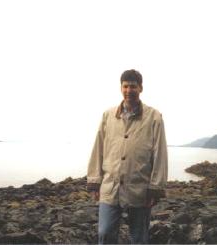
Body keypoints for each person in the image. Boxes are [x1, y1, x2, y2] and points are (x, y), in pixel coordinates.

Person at [87, 69, 168, 244]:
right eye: (125, 86)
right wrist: (94, 182)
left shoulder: (154, 117)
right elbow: (98, 148)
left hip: (139, 190)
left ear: (141, 88)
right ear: (120, 87)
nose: (129, 90)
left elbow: (160, 154)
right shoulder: (108, 116)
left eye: (133, 86)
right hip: (110, 187)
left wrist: (155, 188)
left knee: (139, 237)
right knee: (105, 232)